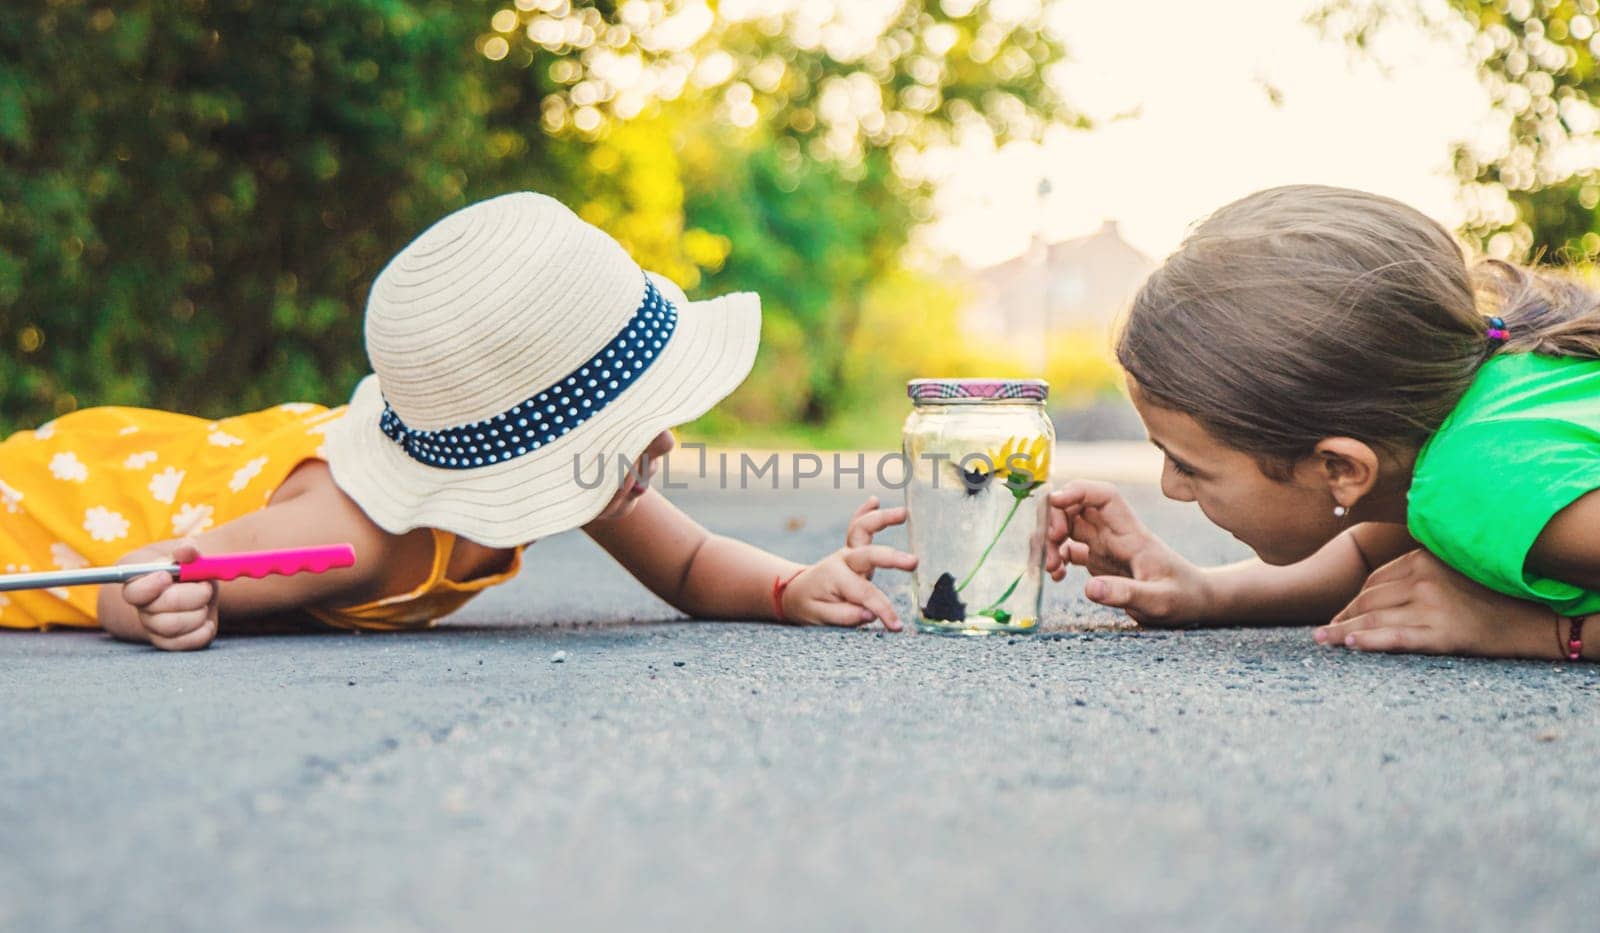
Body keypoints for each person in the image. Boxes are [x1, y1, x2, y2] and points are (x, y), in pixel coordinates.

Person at [0, 192, 915, 650]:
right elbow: (151, 569)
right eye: (640, 422)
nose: (666, 445)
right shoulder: (349, 537)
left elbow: (686, 562)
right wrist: (147, 608)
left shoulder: (553, 462)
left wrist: (790, 586)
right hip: (56, 499)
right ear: (544, 447)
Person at [1043, 185, 1600, 660]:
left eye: (1188, 466)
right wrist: (1200, 591)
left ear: (1341, 469)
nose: (1171, 487)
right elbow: (1365, 554)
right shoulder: (1438, 434)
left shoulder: (1486, 481)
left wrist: (1542, 633)